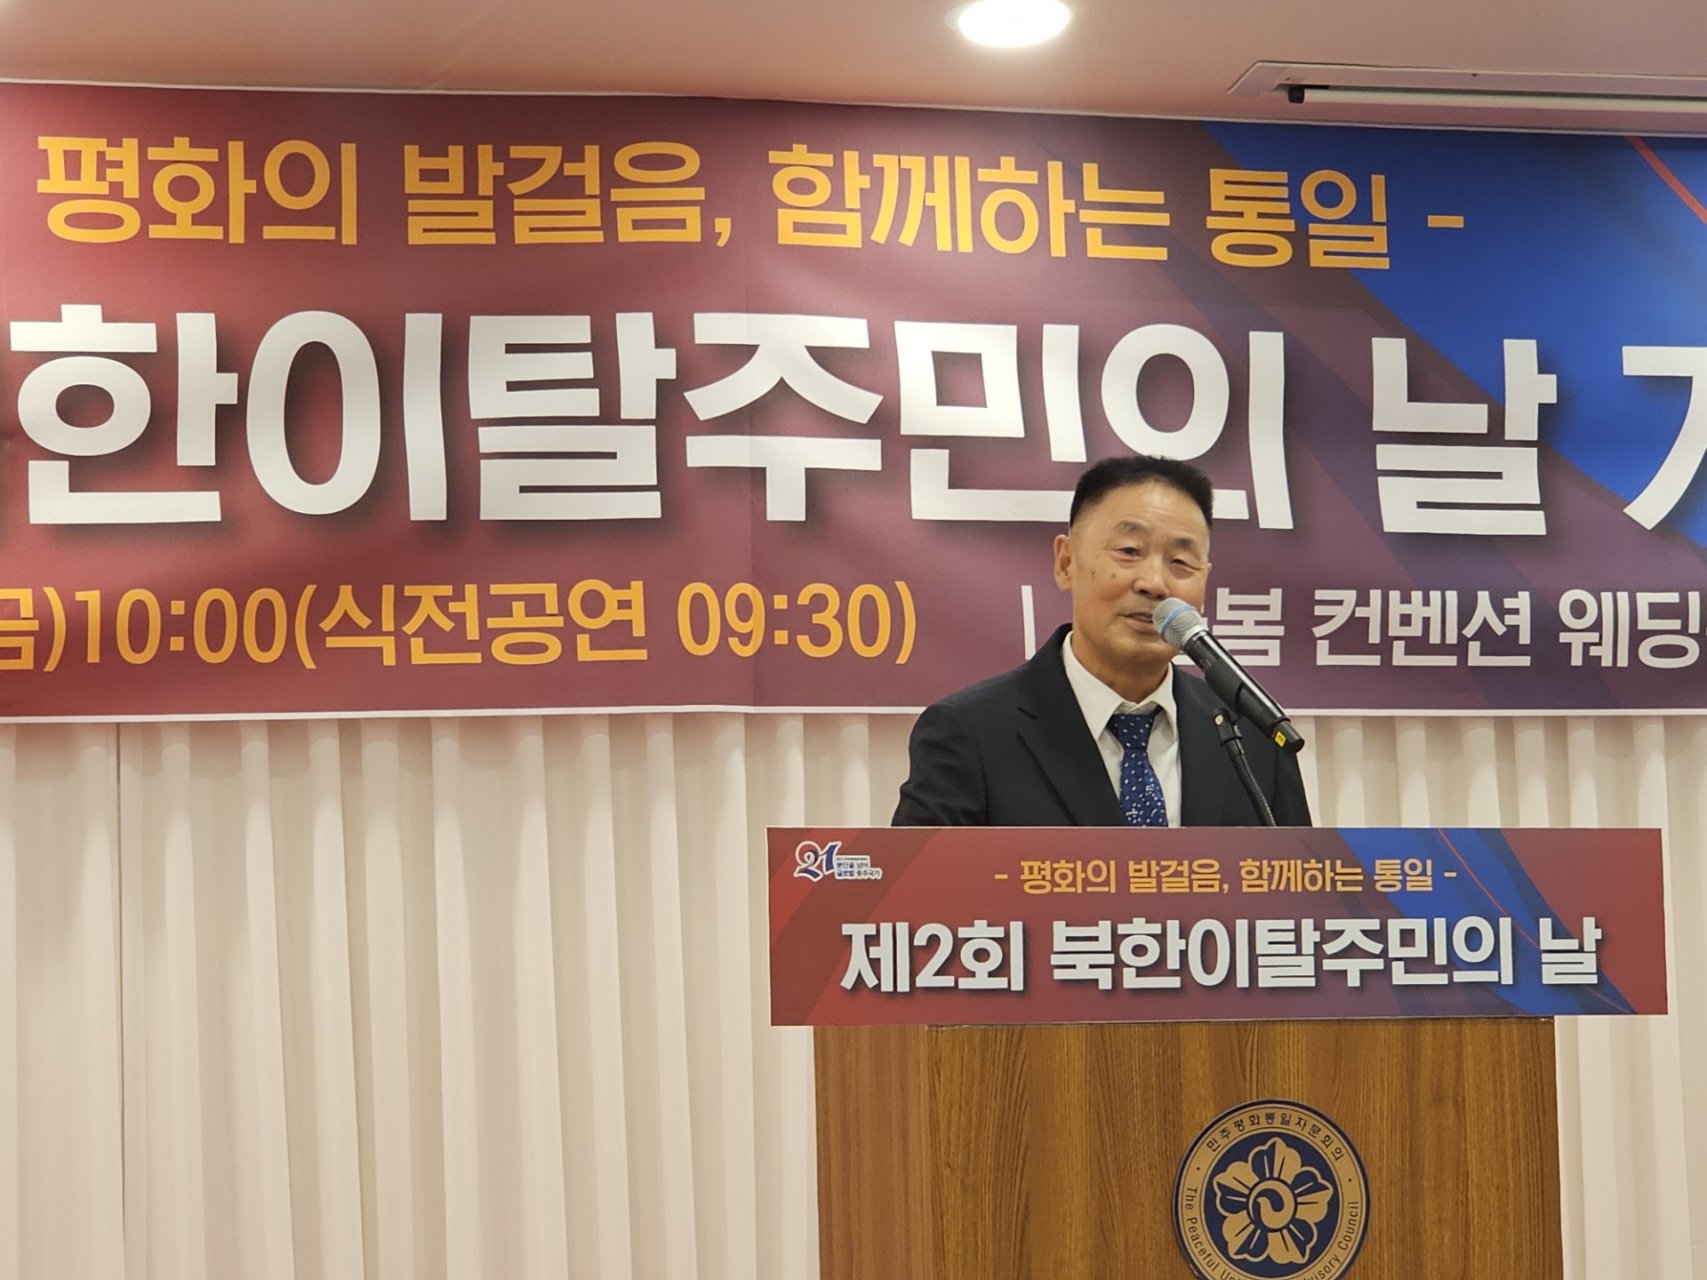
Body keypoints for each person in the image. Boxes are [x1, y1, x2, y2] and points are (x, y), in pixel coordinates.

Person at [892, 454, 1310, 827]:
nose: (1154, 583)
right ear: (1066, 562)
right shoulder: (969, 733)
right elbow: (920, 888)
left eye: (1181, 561)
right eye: (1129, 551)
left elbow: (1302, 885)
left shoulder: (1253, 735)